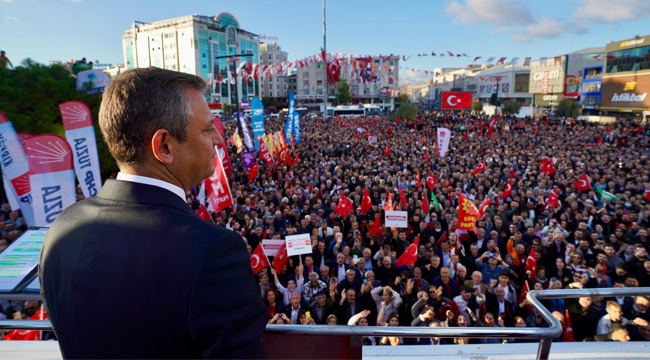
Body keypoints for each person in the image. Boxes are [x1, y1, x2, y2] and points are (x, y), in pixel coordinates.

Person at [38, 68, 267, 359]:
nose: (219, 140)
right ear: (164, 146)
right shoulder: (212, 252)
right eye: (208, 129)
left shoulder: (62, 228)